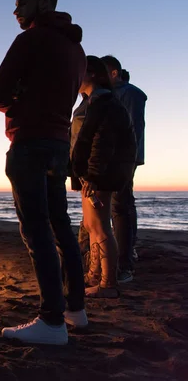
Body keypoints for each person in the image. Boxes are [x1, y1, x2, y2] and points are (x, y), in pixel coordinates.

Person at [0, 0, 87, 345]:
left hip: (30, 143)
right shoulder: (77, 50)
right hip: (60, 146)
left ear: (44, 1)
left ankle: (51, 320)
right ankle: (76, 310)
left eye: (22, 3)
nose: (16, 11)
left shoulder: (29, 40)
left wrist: (22, 102)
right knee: (60, 224)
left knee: (36, 229)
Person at [70, 56, 137, 298]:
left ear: (94, 75)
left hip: (100, 174)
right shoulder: (90, 102)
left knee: (100, 227)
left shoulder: (105, 103)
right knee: (91, 225)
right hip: (90, 174)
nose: (76, 76)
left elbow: (103, 143)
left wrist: (93, 176)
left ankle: (108, 284)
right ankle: (94, 275)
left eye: (81, 71)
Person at [101, 55, 148, 283]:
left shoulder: (130, 94)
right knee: (115, 207)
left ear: (114, 73)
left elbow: (133, 130)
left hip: (121, 161)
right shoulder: (105, 95)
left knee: (121, 207)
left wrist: (128, 160)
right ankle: (121, 255)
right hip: (106, 160)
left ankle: (125, 263)